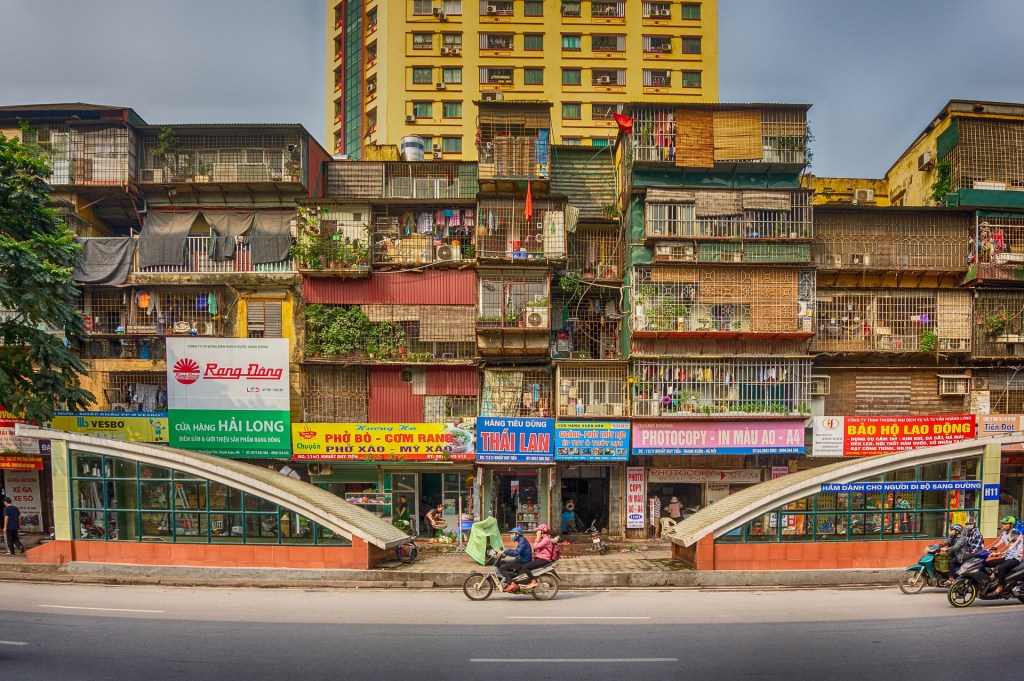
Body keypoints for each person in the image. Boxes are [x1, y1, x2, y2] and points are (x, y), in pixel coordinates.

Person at [519, 524, 556, 589]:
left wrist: (538, 537)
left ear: (542, 532)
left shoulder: (546, 539)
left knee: (525, 567)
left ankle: (533, 581)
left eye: (538, 531)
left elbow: (535, 546)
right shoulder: (544, 538)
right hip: (541, 558)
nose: (536, 533)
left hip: (544, 559)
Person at [498, 527, 532, 592]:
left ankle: (511, 583)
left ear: (517, 534)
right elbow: (517, 552)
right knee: (503, 562)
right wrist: (505, 553)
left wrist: (505, 551)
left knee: (502, 568)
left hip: (523, 561)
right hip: (521, 559)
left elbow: (517, 553)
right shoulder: (521, 540)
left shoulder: (522, 541)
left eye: (513, 534)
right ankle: (510, 579)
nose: (511, 535)